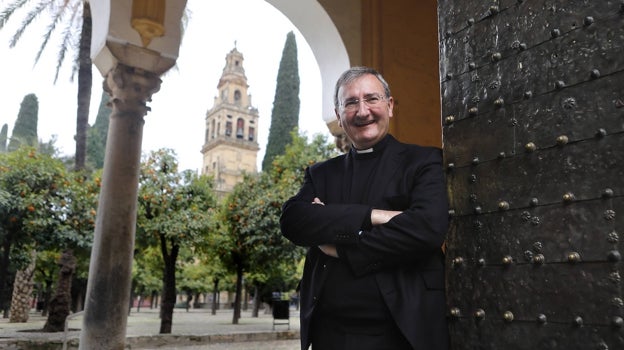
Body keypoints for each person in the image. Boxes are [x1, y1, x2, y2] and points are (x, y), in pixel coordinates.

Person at [280, 66, 449, 350]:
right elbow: (294, 220)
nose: (362, 111)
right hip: (330, 333)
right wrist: (374, 216)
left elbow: (427, 229)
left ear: (390, 105)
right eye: (351, 102)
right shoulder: (321, 174)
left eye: (372, 99)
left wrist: (340, 245)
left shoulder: (424, 161)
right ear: (338, 115)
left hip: (402, 331)